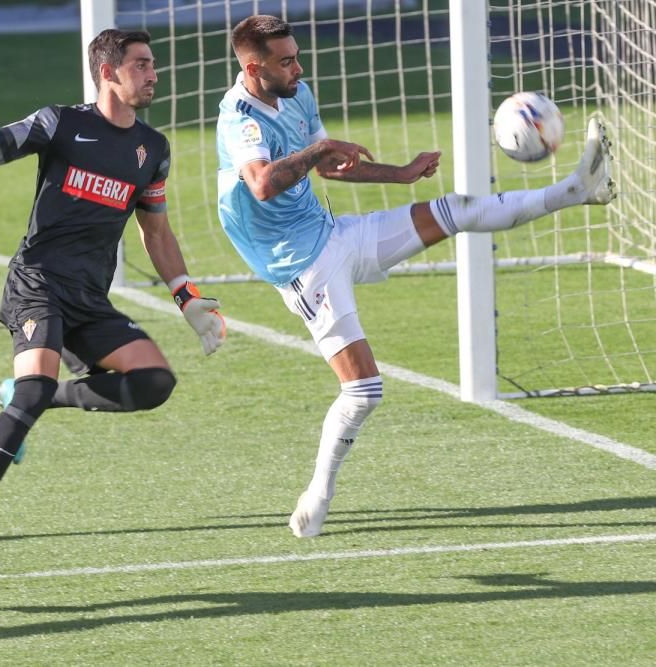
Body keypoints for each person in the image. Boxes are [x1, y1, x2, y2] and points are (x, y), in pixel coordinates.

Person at [217, 15, 615, 538]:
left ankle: (575, 190)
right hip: (301, 266)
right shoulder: (238, 118)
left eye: (296, 55)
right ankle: (318, 494)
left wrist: (401, 173)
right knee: (363, 391)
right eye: (286, 60)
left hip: (333, 233)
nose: (298, 67)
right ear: (254, 66)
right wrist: (318, 150)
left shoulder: (297, 91)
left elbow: (331, 165)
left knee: (454, 210)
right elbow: (265, 184)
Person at [0, 29, 227, 546]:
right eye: (141, 65)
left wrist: (186, 297)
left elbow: (156, 231)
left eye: (152, 65)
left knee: (154, 383)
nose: (153, 74)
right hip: (37, 283)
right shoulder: (59, 123)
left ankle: (40, 397)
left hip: (89, 297)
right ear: (108, 72)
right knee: (31, 388)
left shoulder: (152, 148)